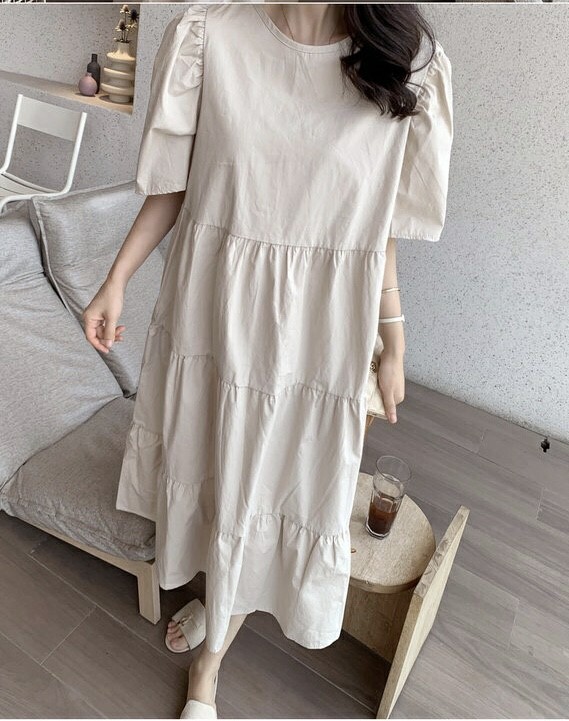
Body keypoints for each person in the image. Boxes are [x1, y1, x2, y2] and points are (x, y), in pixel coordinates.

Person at [81, 3, 453, 718]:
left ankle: (211, 656)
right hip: (214, 308)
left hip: (317, 333)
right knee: (216, 469)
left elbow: (378, 231)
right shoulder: (209, 38)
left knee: (278, 483)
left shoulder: (402, 63)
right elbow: (176, 185)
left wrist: (394, 340)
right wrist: (117, 277)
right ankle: (219, 602)